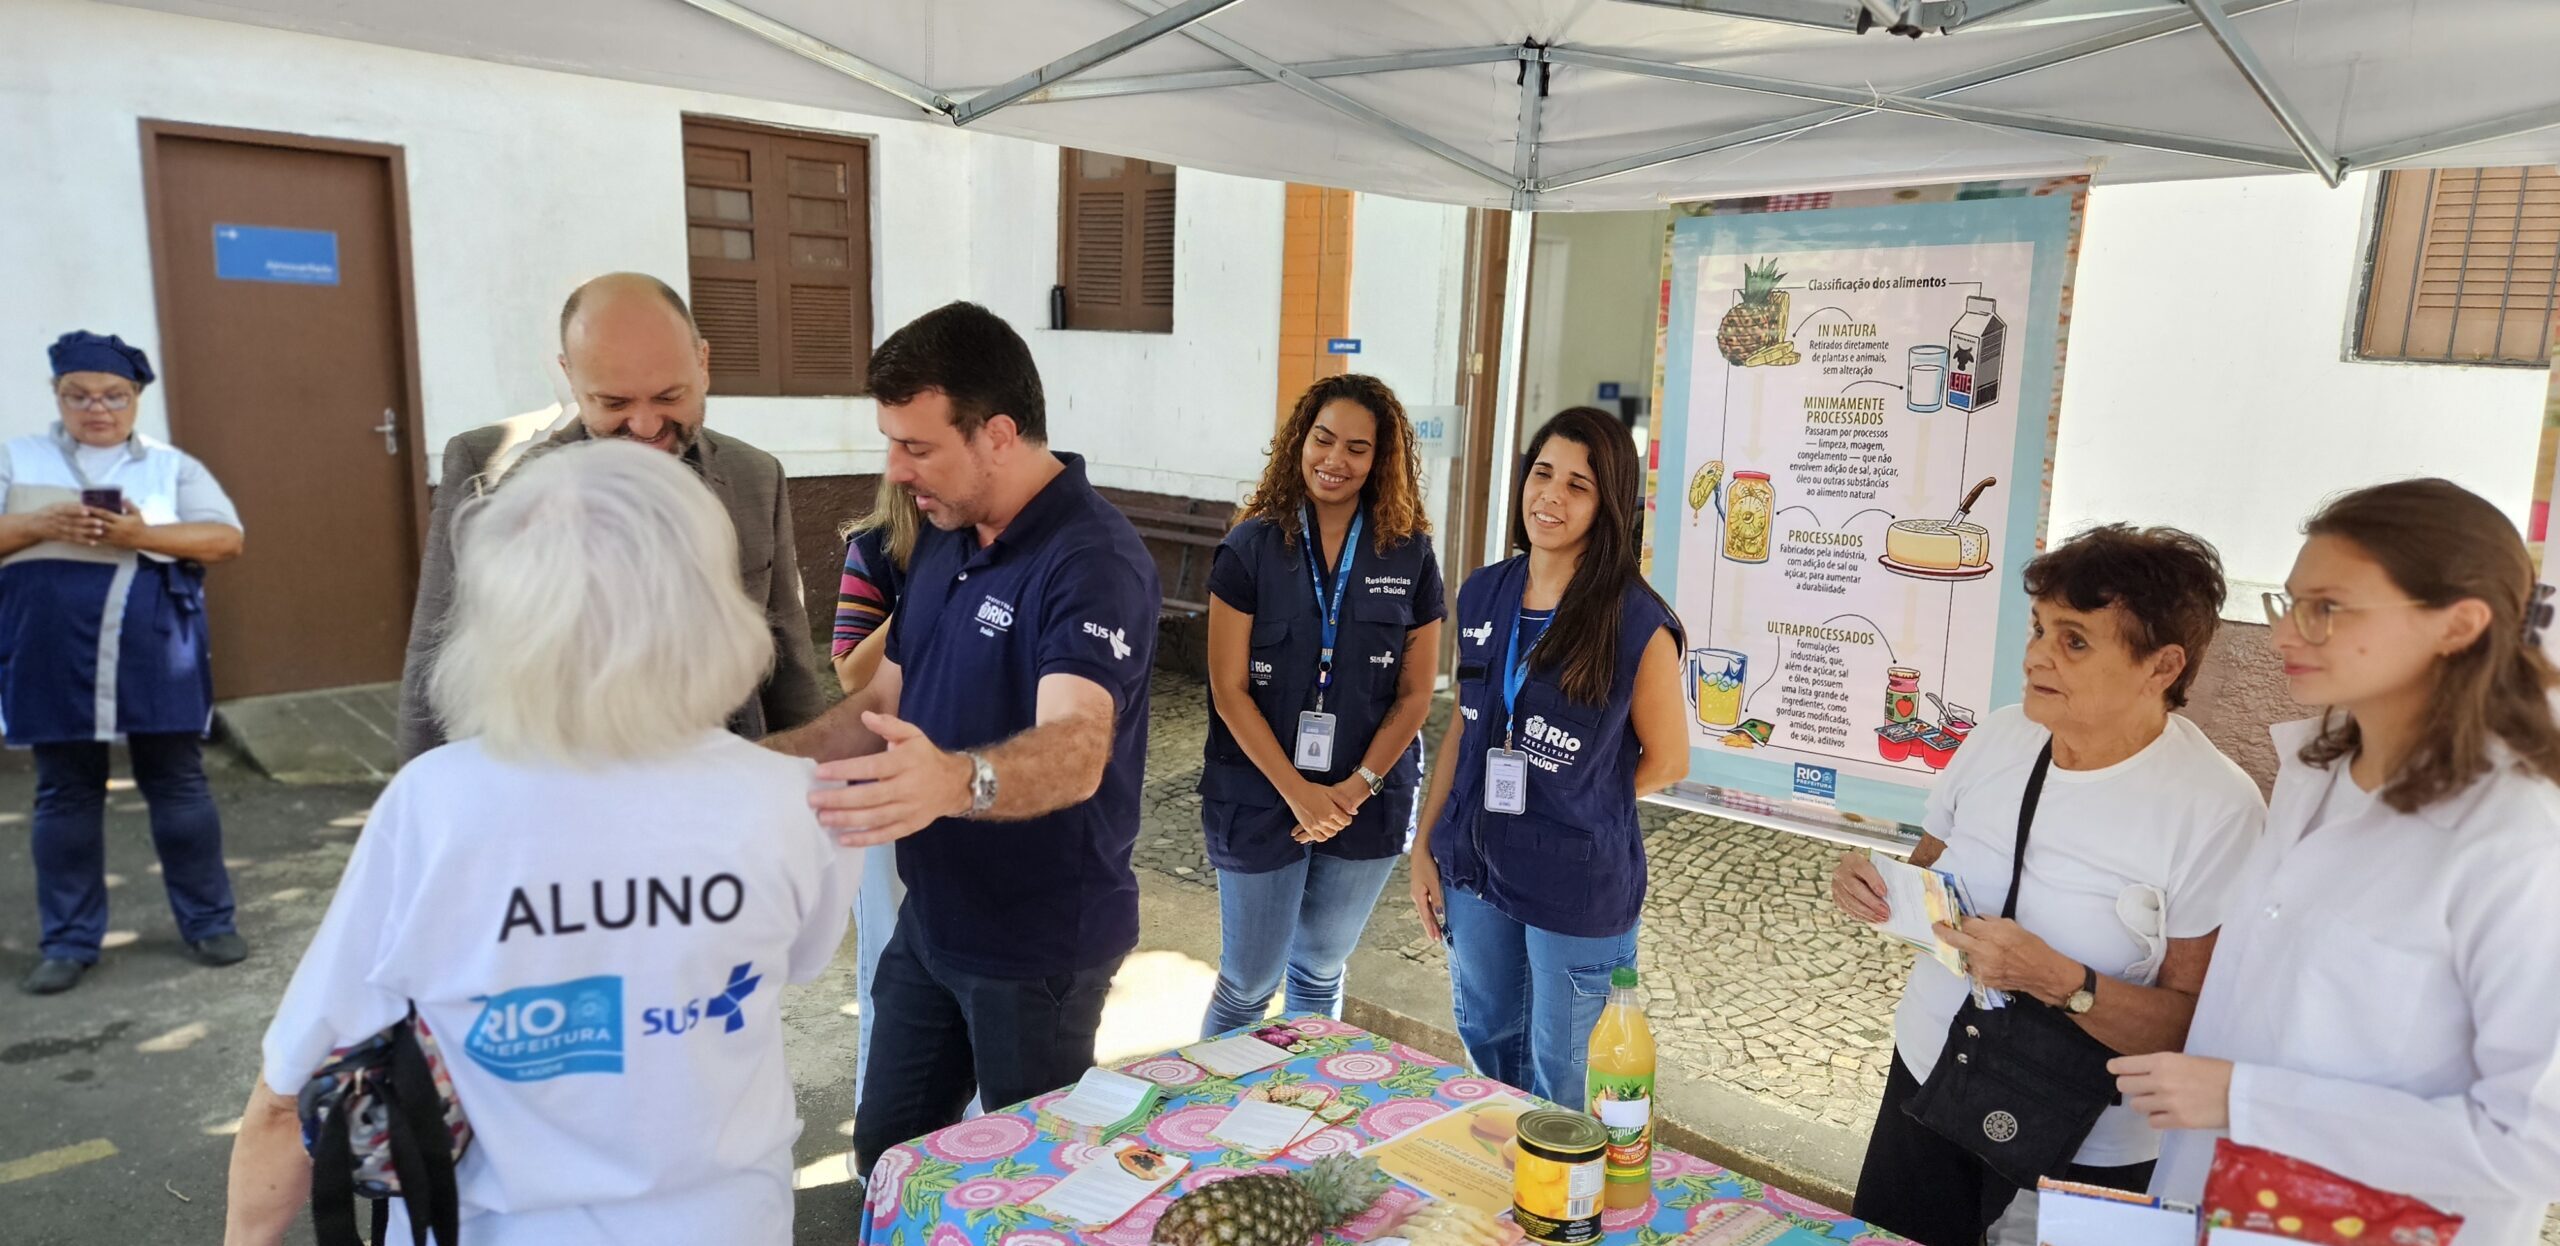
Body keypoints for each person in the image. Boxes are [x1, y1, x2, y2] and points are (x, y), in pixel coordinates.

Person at [223, 441, 852, 1246]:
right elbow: (796, 962)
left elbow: (287, 1098)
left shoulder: (436, 805)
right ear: (710, 603)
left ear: (499, 613)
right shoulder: (791, 802)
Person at [763, 302, 1161, 1178]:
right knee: (889, 1159)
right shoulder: (945, 538)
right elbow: (873, 708)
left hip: (1037, 950)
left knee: (1024, 1188)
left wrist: (956, 782)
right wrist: (743, 768)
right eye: (891, 442)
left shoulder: (1093, 560)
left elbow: (1077, 743)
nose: (896, 470)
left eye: (917, 446)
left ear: (998, 435)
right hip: (932, 923)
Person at [2115, 479, 2560, 1246]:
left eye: (2326, 608)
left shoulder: (2519, 839)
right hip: (2213, 1203)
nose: (2287, 636)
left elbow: (2533, 1143)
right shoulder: (2313, 775)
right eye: (2287, 603)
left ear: (2457, 624)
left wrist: (2249, 1101)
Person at [1830, 524, 2265, 1245]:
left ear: (2162, 666)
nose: (2037, 656)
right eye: (2039, 629)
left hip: (2087, 1139)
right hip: (1930, 1073)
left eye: (2076, 640)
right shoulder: (2001, 737)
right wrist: (1879, 891)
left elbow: (2196, 1023)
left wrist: (2063, 980)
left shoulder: (2217, 809)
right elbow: (1928, 870)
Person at [395, 272, 825, 760]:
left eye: (669, 397)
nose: (645, 426)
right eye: (614, 403)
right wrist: (429, 797)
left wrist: (808, 785)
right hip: (558, 787)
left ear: (703, 363)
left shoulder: (756, 476)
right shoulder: (491, 473)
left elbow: (789, 664)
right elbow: (433, 661)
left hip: (718, 785)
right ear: (570, 377)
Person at [1405, 407, 1687, 1109]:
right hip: (1475, 875)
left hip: (1575, 888)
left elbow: (1668, 761)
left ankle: (1560, 1209)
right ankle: (1503, 1198)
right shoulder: (1484, 592)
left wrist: (1585, 800)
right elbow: (1468, 733)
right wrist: (1424, 846)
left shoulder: (1636, 623)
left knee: (1567, 1080)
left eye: (1578, 485)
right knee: (1490, 1041)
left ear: (1612, 505)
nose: (1550, 497)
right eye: (1542, 474)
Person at [1197, 374, 1445, 1037]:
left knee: (1321, 971)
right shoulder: (1250, 546)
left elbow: (1417, 691)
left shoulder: (1411, 552)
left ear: (1380, 459)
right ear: (1299, 441)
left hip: (1365, 798)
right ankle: (1211, 1124)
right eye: (1323, 439)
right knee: (1248, 983)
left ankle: (1303, 1118)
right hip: (1258, 794)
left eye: (1356, 449)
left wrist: (1355, 789)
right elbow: (1228, 688)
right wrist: (1300, 794)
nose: (1335, 461)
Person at [4, 331, 248, 996]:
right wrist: (40, 526)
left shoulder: (171, 466)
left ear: (135, 398)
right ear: (57, 396)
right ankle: (69, 941)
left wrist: (141, 535)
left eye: (113, 395)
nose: (97, 408)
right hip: (51, 652)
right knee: (65, 791)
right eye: (77, 395)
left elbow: (225, 539)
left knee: (177, 784)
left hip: (153, 649)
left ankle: (208, 922)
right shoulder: (16, 456)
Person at [829, 483, 921, 1111]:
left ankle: (965, 1140)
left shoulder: (1016, 549)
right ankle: (879, 1152)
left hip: (971, 777)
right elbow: (851, 672)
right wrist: (929, 588)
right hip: (884, 780)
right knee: (890, 971)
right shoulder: (876, 549)